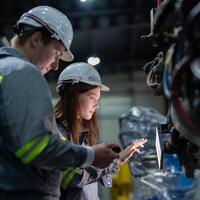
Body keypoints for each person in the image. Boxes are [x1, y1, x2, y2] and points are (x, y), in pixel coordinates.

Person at [0, 6, 121, 200]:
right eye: (56, 53)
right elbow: (36, 147)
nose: (56, 65)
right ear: (36, 39)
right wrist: (91, 156)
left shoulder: (4, 70)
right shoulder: (22, 72)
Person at [54, 62, 146, 200]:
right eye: (92, 98)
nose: (96, 105)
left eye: (97, 99)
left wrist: (115, 160)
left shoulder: (80, 137)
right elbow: (72, 177)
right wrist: (114, 161)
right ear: (72, 95)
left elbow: (88, 181)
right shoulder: (57, 133)